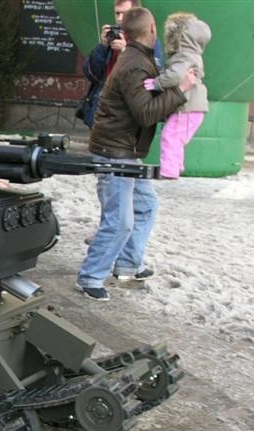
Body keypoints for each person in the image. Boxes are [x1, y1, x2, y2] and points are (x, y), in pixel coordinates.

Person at [76, 7, 197, 301]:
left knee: (145, 206)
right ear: (152, 28)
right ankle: (91, 277)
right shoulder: (134, 64)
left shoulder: (140, 58)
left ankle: (128, 263)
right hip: (114, 150)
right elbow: (145, 113)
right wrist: (181, 90)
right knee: (119, 220)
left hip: (125, 149)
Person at [144, 12, 211, 178]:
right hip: (192, 107)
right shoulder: (194, 55)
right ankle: (176, 166)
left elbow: (176, 75)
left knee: (170, 136)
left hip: (187, 107)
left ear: (180, 37)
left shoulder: (184, 56)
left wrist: (157, 82)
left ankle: (169, 170)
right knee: (177, 137)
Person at [78, 0, 162, 128]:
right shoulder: (113, 36)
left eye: (125, 13)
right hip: (102, 109)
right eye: (117, 13)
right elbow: (90, 73)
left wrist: (126, 50)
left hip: (127, 112)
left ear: (136, 14)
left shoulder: (149, 41)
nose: (120, 18)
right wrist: (103, 46)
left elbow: (152, 76)